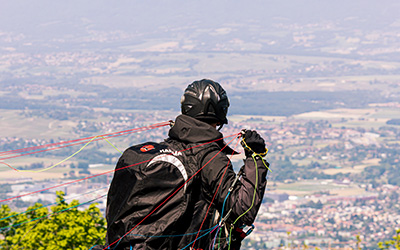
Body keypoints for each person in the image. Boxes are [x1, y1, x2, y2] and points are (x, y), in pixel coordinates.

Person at [103, 79, 269, 250]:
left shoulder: (146, 153)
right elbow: (243, 210)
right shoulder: (209, 157)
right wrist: (256, 158)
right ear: (220, 114)